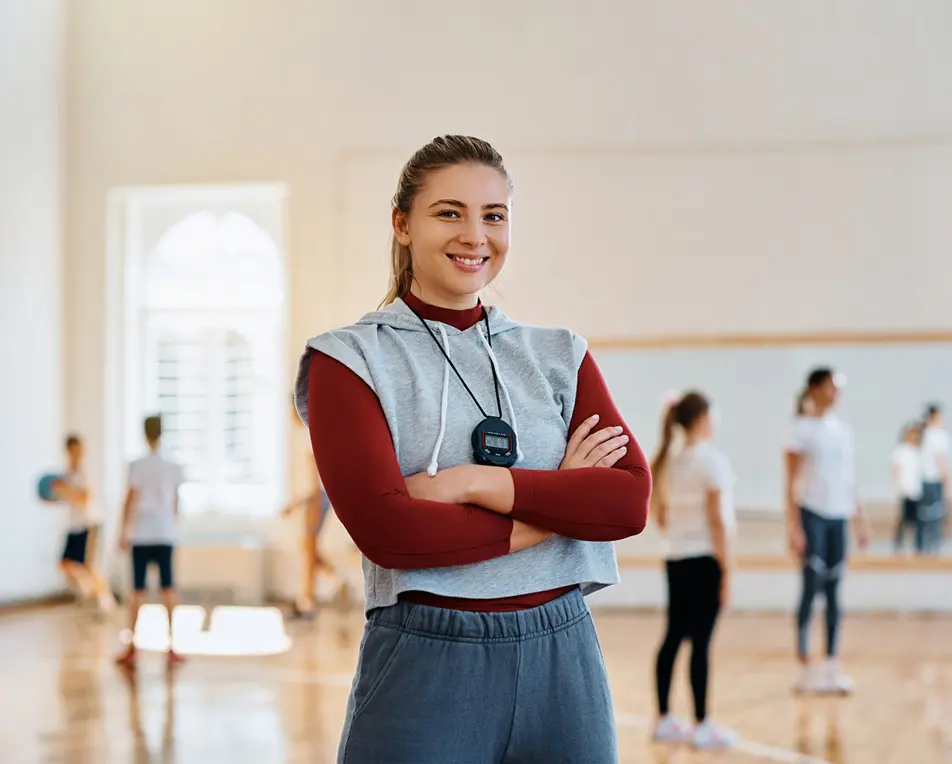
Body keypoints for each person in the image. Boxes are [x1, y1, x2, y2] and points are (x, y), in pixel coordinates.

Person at [293, 135, 652, 763]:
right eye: (449, 212)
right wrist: (557, 508)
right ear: (403, 224)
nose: (475, 235)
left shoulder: (558, 355)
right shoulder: (347, 360)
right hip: (425, 660)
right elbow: (389, 532)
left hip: (563, 656)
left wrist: (474, 483)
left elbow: (626, 502)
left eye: (494, 215)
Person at [650, 392, 736, 749]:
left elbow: (661, 516)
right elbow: (718, 521)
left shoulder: (668, 461)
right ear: (701, 419)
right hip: (704, 561)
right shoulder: (710, 460)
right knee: (700, 642)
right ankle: (702, 723)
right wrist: (727, 570)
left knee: (673, 636)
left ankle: (664, 719)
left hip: (675, 559)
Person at [785, 368, 869, 694]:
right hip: (812, 515)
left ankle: (832, 665)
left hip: (839, 517)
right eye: (832, 387)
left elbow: (848, 478)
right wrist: (794, 526)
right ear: (816, 388)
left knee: (834, 592)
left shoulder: (841, 430)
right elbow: (790, 481)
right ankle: (803, 668)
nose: (837, 394)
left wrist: (859, 518)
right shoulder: (800, 429)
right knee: (810, 588)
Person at [115, 416, 185, 667]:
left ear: (144, 434)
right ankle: (172, 646)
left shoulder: (137, 465)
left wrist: (123, 531)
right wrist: (170, 525)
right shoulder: (172, 466)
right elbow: (175, 503)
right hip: (164, 533)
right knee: (168, 589)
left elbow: (130, 499)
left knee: (137, 591)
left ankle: (132, 647)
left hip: (142, 534)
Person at [48, 434, 115, 612]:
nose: (76, 453)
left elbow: (84, 498)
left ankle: (105, 598)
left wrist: (65, 490)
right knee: (64, 563)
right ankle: (87, 589)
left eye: (78, 450)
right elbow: (62, 497)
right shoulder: (66, 474)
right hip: (74, 525)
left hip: (89, 524)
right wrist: (55, 493)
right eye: (72, 450)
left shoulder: (85, 472)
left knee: (89, 566)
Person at [919, 403, 949, 553]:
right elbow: (941, 460)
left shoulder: (921, 434)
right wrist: (947, 483)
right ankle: (933, 548)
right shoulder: (938, 435)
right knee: (936, 515)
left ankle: (921, 547)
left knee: (923, 515)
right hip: (934, 480)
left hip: (922, 481)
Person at [892, 421, 924, 555]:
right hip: (905, 490)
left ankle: (914, 545)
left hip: (916, 490)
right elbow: (896, 470)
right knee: (904, 519)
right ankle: (899, 545)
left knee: (915, 519)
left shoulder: (917, 451)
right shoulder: (900, 451)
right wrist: (902, 487)